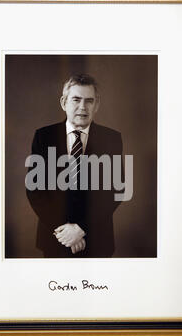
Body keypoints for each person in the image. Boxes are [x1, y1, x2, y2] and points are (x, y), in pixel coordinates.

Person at [26, 74, 124, 258]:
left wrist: (81, 228)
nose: (82, 107)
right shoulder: (44, 136)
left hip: (97, 240)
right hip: (55, 238)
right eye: (76, 100)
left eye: (89, 101)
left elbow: (114, 190)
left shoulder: (111, 139)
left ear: (97, 105)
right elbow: (35, 190)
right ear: (64, 102)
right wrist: (65, 232)